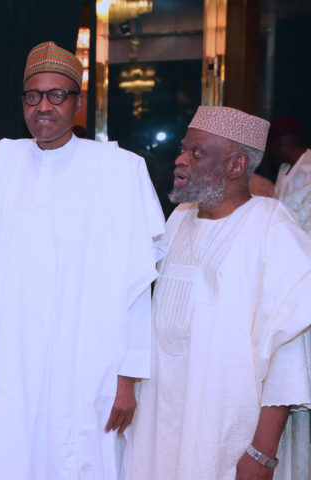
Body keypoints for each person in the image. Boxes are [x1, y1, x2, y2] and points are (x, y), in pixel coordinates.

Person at [0, 41, 165, 479]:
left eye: (57, 95)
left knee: (81, 457)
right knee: (12, 456)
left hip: (91, 355)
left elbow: (138, 285)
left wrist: (128, 377)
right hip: (16, 356)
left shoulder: (120, 171)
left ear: (78, 102)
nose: (44, 106)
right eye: (34, 96)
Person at [129, 106, 311, 479]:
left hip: (229, 432)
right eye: (183, 149)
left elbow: (289, 352)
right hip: (161, 423)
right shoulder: (178, 218)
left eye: (196, 153)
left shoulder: (272, 228)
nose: (180, 160)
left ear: (236, 165)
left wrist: (261, 453)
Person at [270, 117, 311, 201]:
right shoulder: (284, 167)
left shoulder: (308, 167)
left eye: (268, 145)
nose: (268, 151)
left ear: (276, 143)